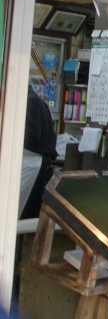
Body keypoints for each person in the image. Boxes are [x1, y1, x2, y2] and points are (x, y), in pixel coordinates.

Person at [20, 89, 59, 220]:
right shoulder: (33, 99)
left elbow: (31, 137)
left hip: (34, 167)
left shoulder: (28, 101)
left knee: (24, 216)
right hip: (34, 165)